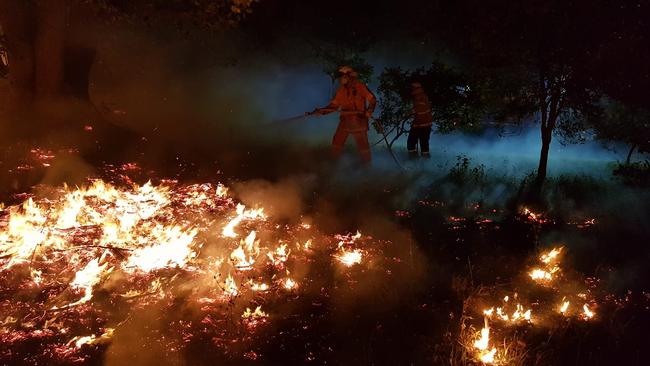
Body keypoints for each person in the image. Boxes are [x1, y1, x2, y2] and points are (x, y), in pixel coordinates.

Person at [309, 66, 376, 163]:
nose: (341, 78)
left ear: (349, 76)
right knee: (336, 143)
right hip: (345, 122)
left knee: (363, 148)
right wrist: (321, 111)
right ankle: (333, 164)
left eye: (343, 75)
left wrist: (370, 110)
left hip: (359, 122)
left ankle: (367, 168)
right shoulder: (341, 91)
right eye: (340, 76)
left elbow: (372, 100)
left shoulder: (360, 87)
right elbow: (334, 106)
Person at [407, 82, 433, 158]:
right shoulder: (418, 96)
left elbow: (422, 108)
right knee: (417, 143)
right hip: (419, 123)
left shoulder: (420, 96)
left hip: (423, 124)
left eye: (412, 88)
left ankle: (419, 163)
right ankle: (417, 162)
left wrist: (412, 111)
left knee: (417, 143)